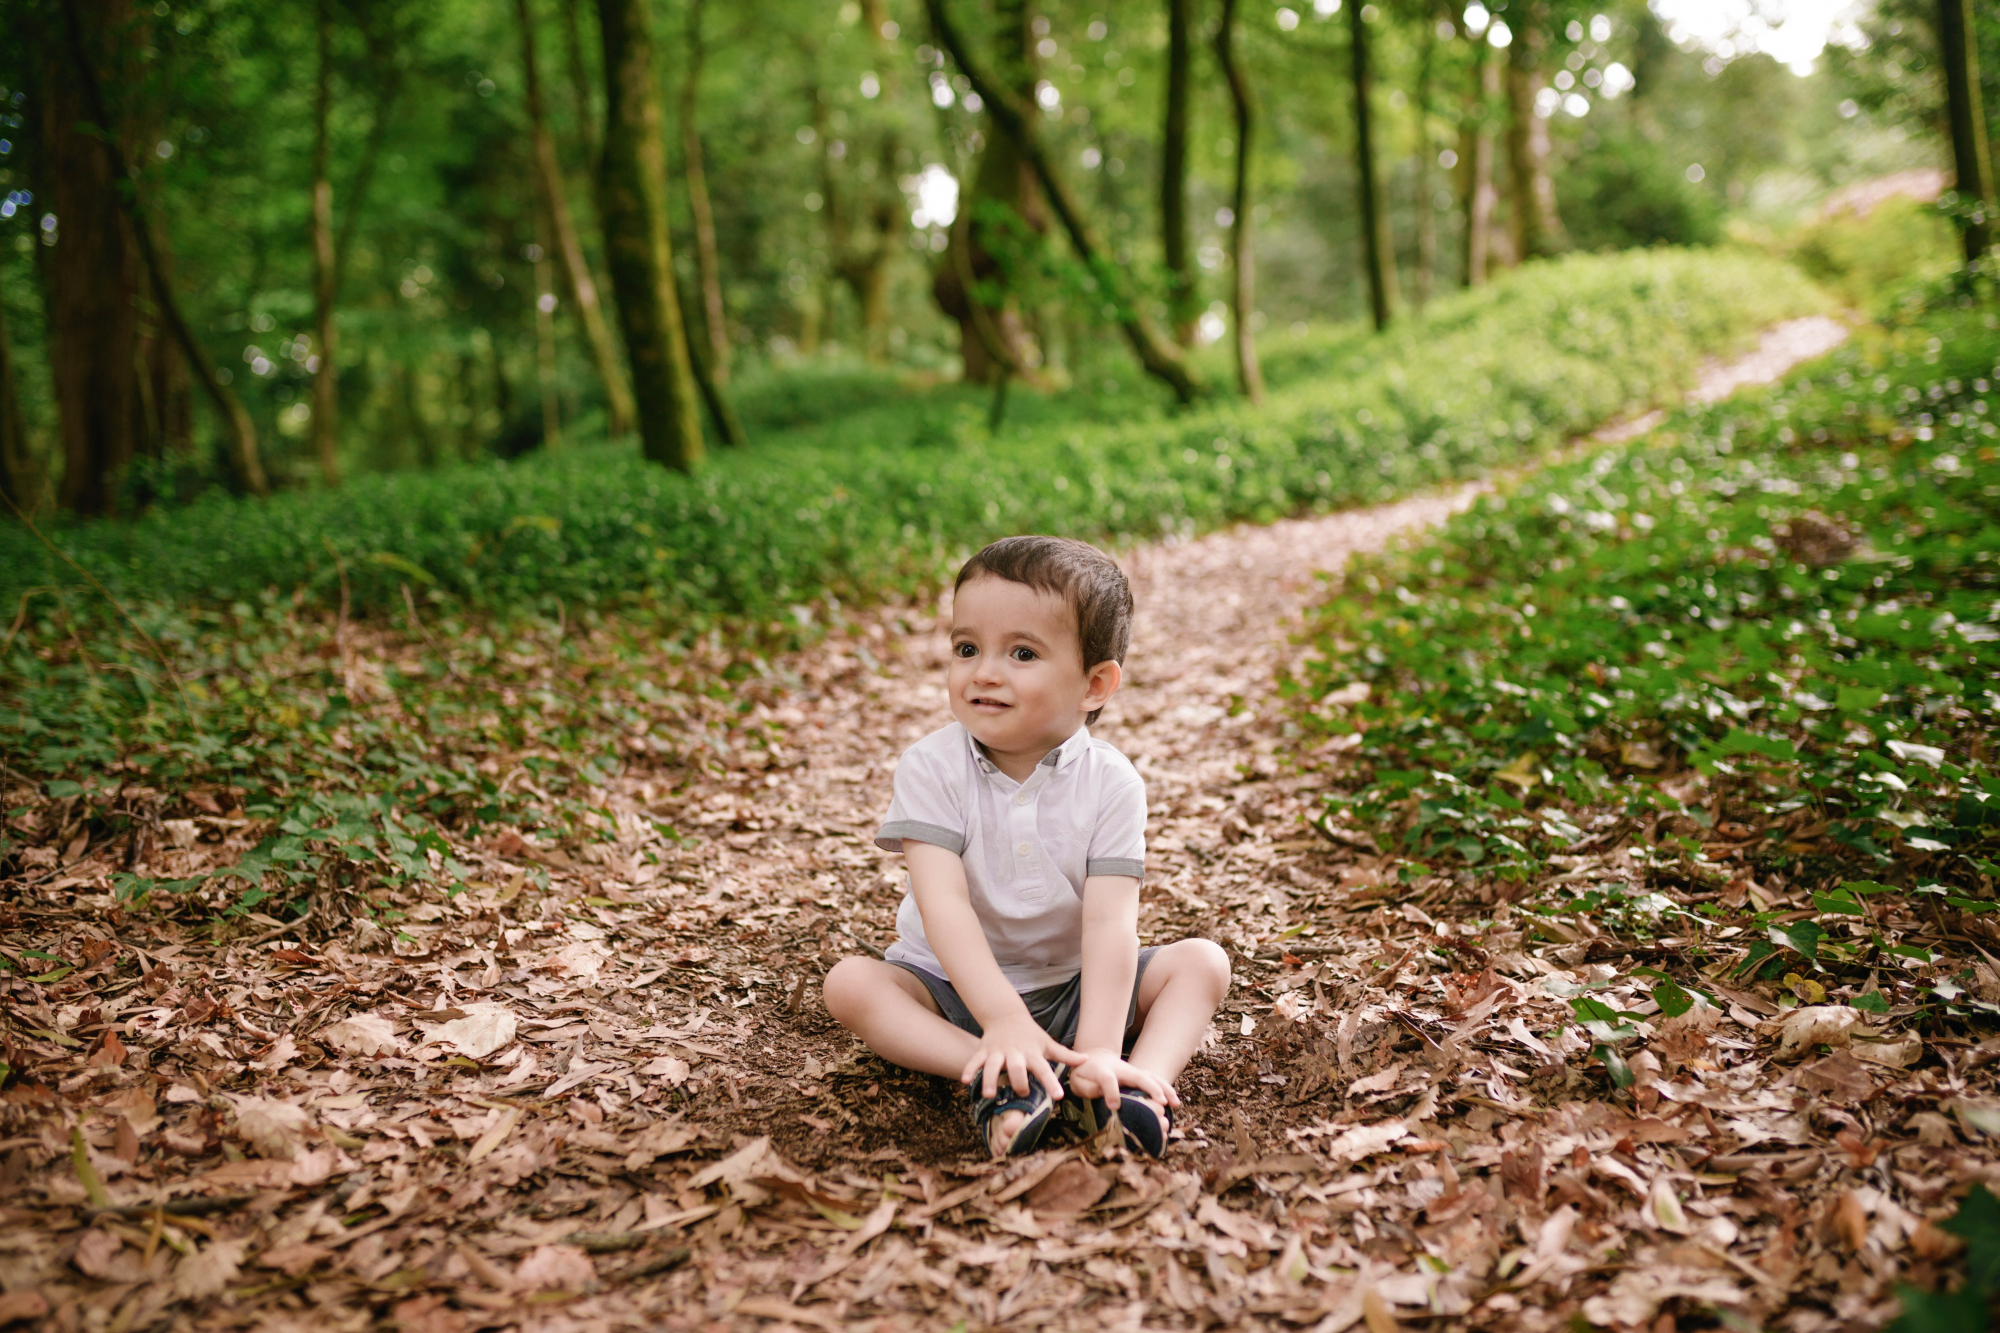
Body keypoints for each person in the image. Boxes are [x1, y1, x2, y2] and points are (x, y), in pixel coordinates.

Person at [823, 536, 1231, 1157]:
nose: (984, 671)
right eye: (966, 648)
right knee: (852, 984)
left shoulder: (1112, 782)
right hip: (950, 990)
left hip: (1073, 986)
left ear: (1095, 684)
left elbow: (1110, 922)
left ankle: (1124, 1089)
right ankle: (998, 1073)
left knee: (1203, 963)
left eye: (1021, 652)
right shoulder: (932, 768)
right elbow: (945, 906)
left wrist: (1097, 1042)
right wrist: (1003, 1020)